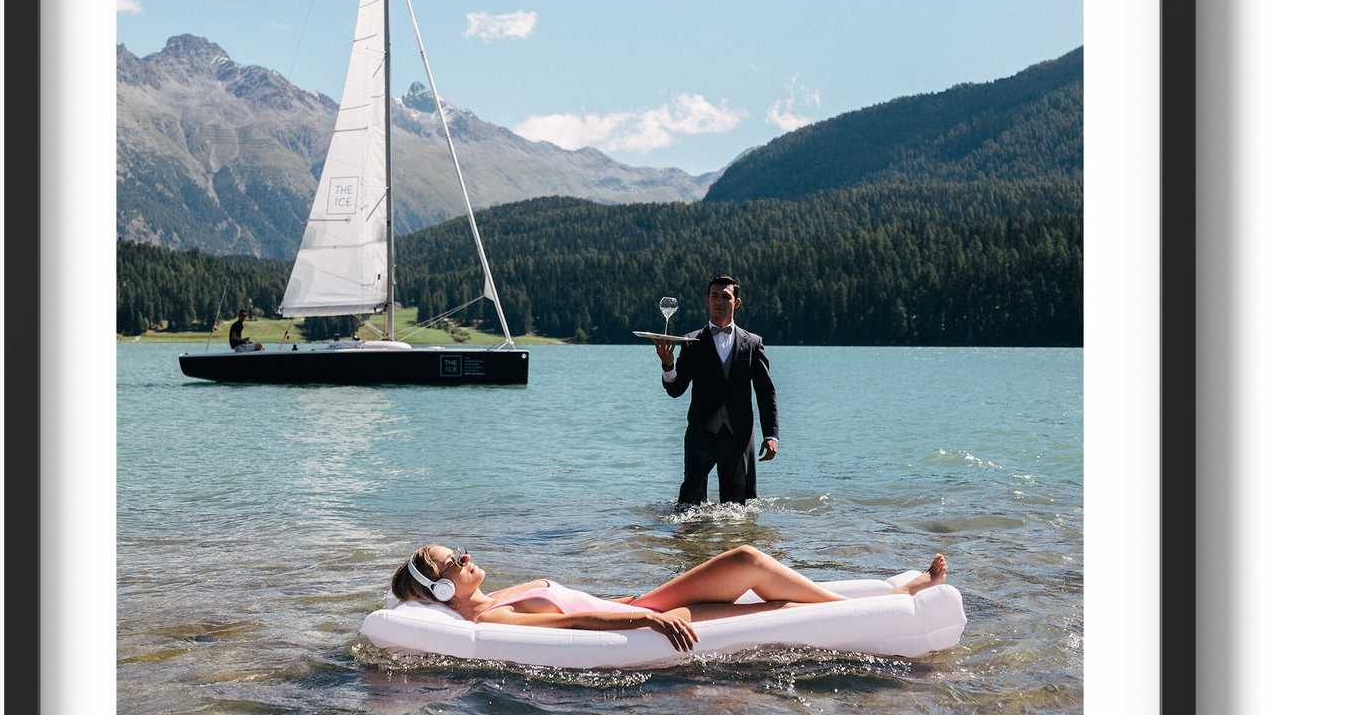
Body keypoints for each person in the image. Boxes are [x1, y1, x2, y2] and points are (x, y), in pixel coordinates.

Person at [389, 542, 949, 652]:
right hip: (645, 617)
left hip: (642, 601)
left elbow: (580, 600)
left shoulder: (496, 594)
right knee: (753, 572)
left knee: (752, 570)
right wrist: (649, 624)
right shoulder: (494, 619)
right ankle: (896, 597)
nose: (464, 556)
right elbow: (572, 624)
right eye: (451, 562)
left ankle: (890, 592)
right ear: (440, 588)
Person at [655, 275, 778, 505]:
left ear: (736, 302)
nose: (719, 301)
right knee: (688, 506)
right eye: (715, 296)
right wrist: (668, 364)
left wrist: (771, 435)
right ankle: (689, 541)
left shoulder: (752, 342)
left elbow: (765, 392)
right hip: (701, 434)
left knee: (737, 510)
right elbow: (676, 390)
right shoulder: (691, 342)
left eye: (726, 296)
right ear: (707, 301)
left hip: (738, 436)